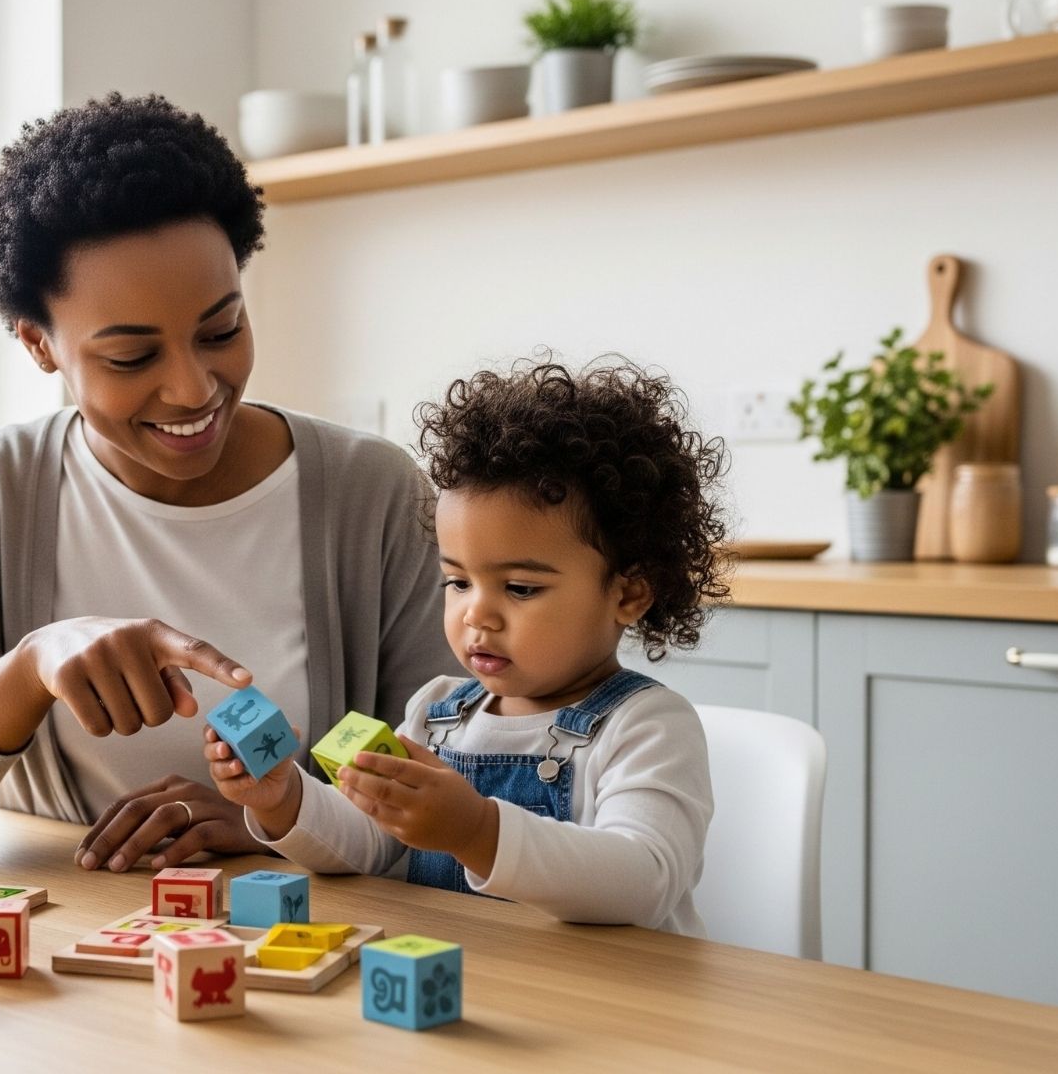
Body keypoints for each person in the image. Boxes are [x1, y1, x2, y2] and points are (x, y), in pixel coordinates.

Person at [0, 93, 457, 874]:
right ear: (39, 345)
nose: (194, 388)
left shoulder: (370, 492)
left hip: (319, 946)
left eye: (221, 331)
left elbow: (465, 780)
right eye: (132, 358)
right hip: (72, 948)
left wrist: (284, 814)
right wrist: (30, 669)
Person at [208, 360, 726, 935]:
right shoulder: (438, 712)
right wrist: (282, 799)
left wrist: (476, 831)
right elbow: (369, 841)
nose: (476, 613)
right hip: (474, 990)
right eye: (457, 582)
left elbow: (643, 882)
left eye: (521, 588)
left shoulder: (648, 728)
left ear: (628, 593)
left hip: (614, 1005)